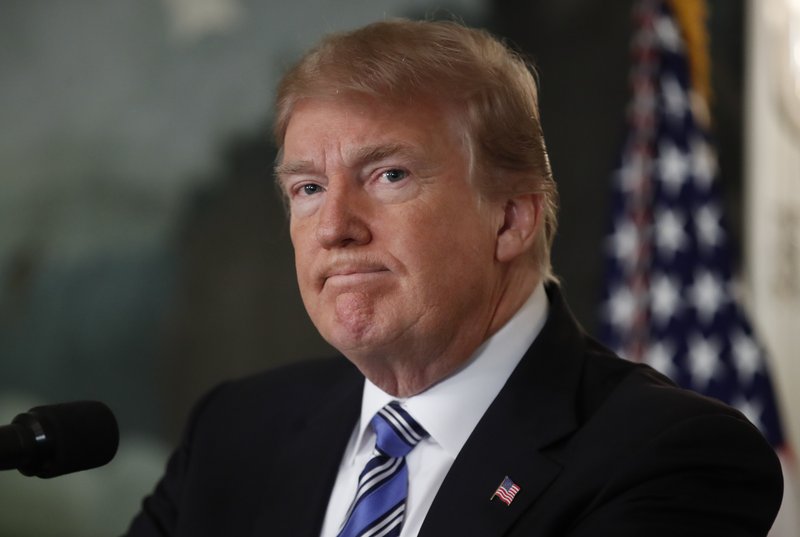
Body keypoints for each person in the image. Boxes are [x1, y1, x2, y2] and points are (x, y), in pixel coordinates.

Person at [124, 19, 783, 537]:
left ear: (511, 218)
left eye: (389, 175)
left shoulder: (668, 456)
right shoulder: (236, 429)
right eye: (308, 187)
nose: (334, 227)